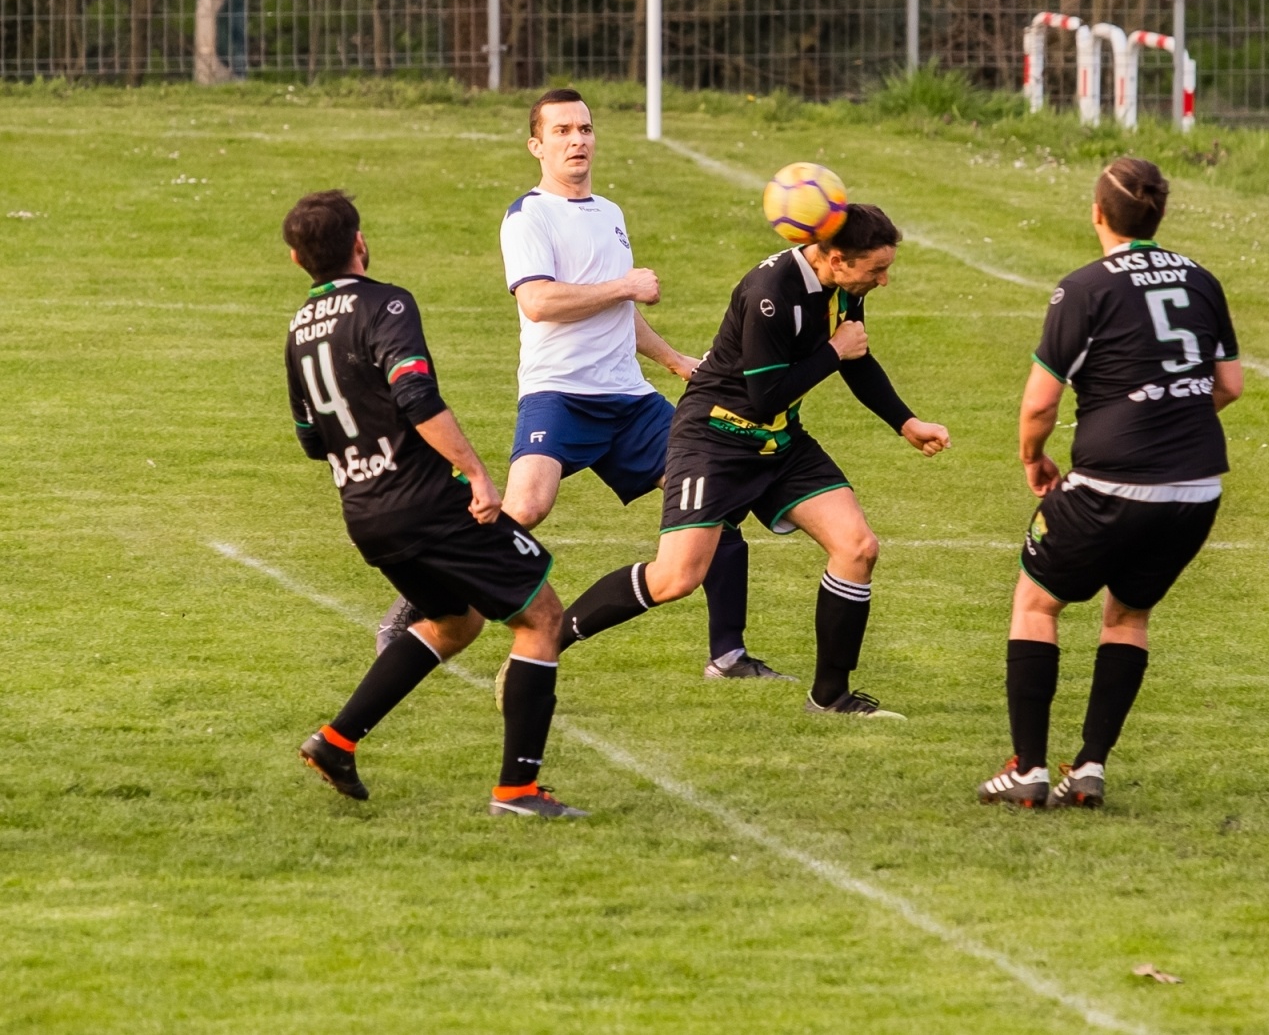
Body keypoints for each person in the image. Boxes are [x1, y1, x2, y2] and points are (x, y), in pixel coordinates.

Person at [376, 88, 788, 682]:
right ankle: (412, 608)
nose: (578, 140)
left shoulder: (610, 213)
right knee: (524, 507)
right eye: (563, 131)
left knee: (712, 501)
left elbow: (619, 311)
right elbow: (540, 302)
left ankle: (728, 655)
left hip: (630, 401)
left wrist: (673, 361)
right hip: (559, 394)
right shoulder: (528, 215)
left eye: (586, 129)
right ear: (536, 145)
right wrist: (626, 286)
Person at [556, 204, 951, 718]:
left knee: (857, 546)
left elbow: (855, 357)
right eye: (876, 270)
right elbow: (766, 394)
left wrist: (906, 422)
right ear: (836, 259)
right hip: (715, 439)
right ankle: (548, 639)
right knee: (675, 579)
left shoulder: (842, 289)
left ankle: (830, 698)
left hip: (780, 442)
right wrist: (833, 350)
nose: (884, 279)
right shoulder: (770, 293)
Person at [283, 189, 586, 819]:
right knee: (542, 617)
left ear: (296, 260)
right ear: (359, 243)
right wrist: (475, 471)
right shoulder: (385, 302)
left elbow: (313, 440)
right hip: (426, 505)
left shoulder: (297, 330)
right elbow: (415, 395)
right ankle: (518, 792)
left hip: (364, 513)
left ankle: (337, 742)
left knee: (456, 621)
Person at [977, 157, 1243, 810]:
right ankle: (1090, 766)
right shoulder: (1202, 279)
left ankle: (1031, 769)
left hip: (1111, 485)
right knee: (1127, 615)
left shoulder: (1084, 288)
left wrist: (1031, 457)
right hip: (1195, 492)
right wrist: (1171, 412)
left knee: (1036, 604)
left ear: (1097, 213)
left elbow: (1039, 405)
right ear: (1160, 214)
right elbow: (1230, 383)